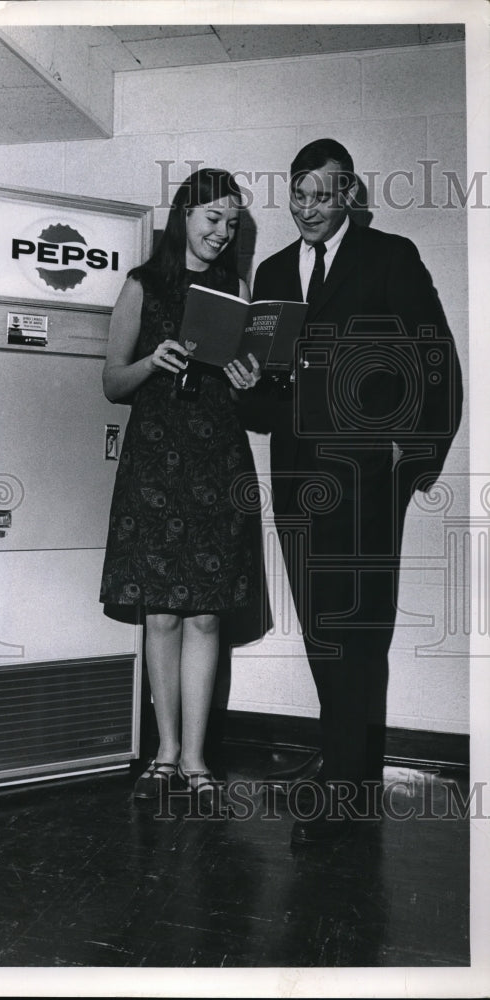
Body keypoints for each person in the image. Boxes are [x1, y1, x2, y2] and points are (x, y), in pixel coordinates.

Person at [249, 138, 463, 845]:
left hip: (369, 478)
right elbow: (263, 401)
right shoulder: (275, 269)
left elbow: (438, 361)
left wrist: (414, 460)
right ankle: (347, 767)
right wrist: (247, 385)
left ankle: (346, 783)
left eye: (322, 194)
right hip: (296, 476)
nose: (309, 208)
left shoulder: (390, 256)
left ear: (349, 196)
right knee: (320, 626)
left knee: (360, 629)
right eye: (299, 194)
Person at [99, 168, 266, 805]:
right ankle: (165, 751)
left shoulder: (238, 288)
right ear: (185, 215)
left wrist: (250, 377)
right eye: (213, 219)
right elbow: (112, 382)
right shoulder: (142, 285)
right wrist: (153, 359)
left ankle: (196, 757)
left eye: (232, 223)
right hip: (156, 464)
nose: (222, 232)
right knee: (162, 614)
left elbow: (242, 378)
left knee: (205, 616)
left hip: (217, 462)